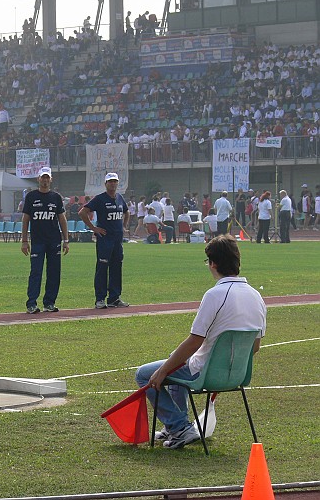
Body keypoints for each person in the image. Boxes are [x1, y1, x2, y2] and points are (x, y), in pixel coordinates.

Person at [136, 235, 266, 449]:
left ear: (213, 263)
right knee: (175, 360)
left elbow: (194, 341)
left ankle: (179, 427)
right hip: (237, 374)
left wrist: (163, 371)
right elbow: (255, 346)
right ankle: (176, 427)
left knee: (144, 374)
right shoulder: (256, 297)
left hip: (206, 373)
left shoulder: (215, 295)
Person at [21, 167, 70, 314]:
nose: (45, 180)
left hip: (54, 241)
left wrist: (66, 240)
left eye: (47, 177)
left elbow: (62, 219)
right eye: (43, 177)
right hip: (37, 241)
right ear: (38, 179)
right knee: (36, 272)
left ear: (51, 179)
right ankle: (31, 303)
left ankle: (49, 302)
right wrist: (24, 241)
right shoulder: (31, 197)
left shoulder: (56, 197)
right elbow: (25, 219)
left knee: (54, 272)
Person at [79, 172, 129, 309]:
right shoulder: (100, 199)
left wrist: (124, 226)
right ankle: (100, 299)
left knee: (116, 268)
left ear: (118, 183)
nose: (113, 184)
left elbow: (127, 212)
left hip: (117, 240)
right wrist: (94, 228)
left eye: (115, 181)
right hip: (105, 239)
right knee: (102, 268)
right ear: (105, 184)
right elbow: (82, 212)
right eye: (110, 181)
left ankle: (114, 298)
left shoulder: (119, 198)